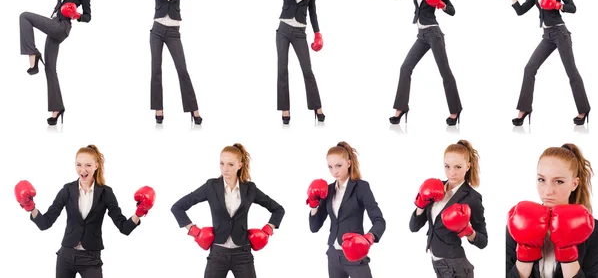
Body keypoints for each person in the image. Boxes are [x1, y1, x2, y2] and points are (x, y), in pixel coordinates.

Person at [14, 144, 155, 278]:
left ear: (96, 166)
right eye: (79, 165)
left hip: (91, 258)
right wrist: (30, 208)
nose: (83, 170)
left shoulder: (106, 192)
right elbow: (45, 223)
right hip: (66, 256)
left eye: (88, 165)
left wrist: (139, 212)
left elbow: (124, 228)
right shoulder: (67, 190)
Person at [125, 0, 221, 124]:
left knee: (182, 69)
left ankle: (194, 110)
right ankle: (159, 109)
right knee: (156, 69)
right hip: (157, 31)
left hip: (173, 33)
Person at [355, 0, 462, 126]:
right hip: (422, 35)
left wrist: (441, 4)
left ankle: (455, 111)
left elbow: (452, 11)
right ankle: (401, 108)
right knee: (405, 68)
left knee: (445, 72)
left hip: (434, 33)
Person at [171, 143, 285, 278]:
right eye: (222, 163)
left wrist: (267, 230)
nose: (225, 169)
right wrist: (193, 231)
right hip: (217, 253)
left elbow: (278, 209)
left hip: (243, 254)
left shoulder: (250, 188)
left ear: (240, 165)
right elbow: (177, 207)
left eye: (230, 164)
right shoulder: (211, 186)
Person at [502, 0, 591, 126]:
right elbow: (521, 11)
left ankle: (583, 109)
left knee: (571, 71)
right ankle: (524, 109)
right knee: (529, 68)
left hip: (560, 33)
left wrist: (558, 5)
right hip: (547, 35)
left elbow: (573, 7)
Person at [255, 0, 325, 124]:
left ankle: (317, 106)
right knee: (282, 69)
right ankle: (285, 109)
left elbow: (313, 13)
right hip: (283, 31)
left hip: (300, 33)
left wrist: (318, 33)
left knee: (307, 70)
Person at [506, 143, 598, 278]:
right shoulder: (517, 222)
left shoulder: (594, 231)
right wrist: (526, 252)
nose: (548, 191)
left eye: (559, 181)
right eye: (541, 179)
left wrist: (568, 253)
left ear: (574, 183)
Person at [20, 0, 91, 125]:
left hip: (62, 26)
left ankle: (32, 55)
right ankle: (57, 109)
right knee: (50, 69)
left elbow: (89, 16)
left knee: (25, 16)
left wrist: (77, 15)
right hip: (53, 25)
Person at [409, 140, 487, 278]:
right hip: (437, 263)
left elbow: (483, 242)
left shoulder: (472, 198)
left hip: (456, 266)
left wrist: (467, 231)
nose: (452, 173)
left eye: (458, 167)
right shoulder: (434, 188)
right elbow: (413, 227)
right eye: (447, 166)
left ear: (468, 166)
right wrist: (420, 204)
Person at [307, 141, 386, 278]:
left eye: (338, 165)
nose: (334, 171)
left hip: (355, 256)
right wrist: (314, 204)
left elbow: (379, 221)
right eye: (330, 167)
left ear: (348, 163)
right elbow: (314, 227)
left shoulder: (361, 187)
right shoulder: (328, 190)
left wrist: (368, 238)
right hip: (333, 256)